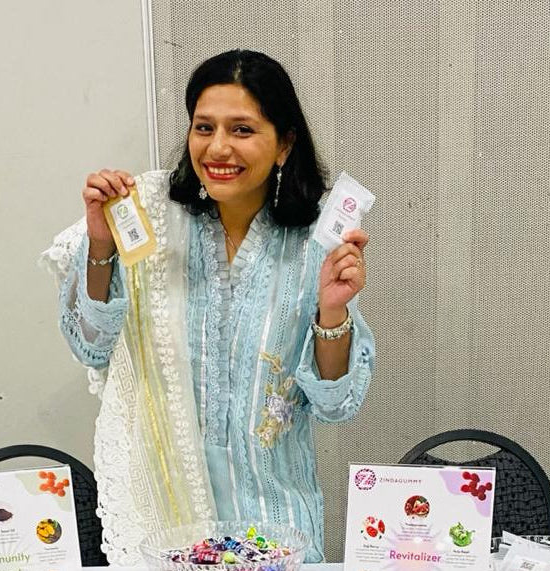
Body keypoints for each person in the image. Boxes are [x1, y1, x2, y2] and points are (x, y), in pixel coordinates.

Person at [41, 49, 374, 564]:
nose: (218, 147)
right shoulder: (151, 222)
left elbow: (334, 406)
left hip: (276, 526)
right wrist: (101, 243)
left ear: (284, 144)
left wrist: (333, 311)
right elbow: (90, 344)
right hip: (165, 522)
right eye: (204, 127)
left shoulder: (316, 244)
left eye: (242, 130)